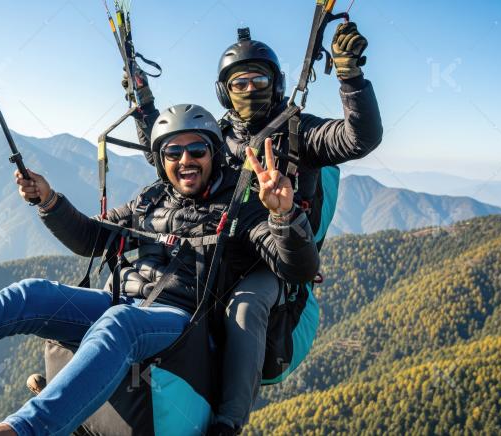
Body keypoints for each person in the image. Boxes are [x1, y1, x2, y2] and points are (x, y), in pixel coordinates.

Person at [0, 104, 320, 436]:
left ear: (214, 155)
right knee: (31, 294)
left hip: (177, 323)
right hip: (123, 302)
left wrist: (282, 213)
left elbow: (295, 267)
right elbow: (93, 237)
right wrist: (50, 200)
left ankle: (21, 433)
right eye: (173, 152)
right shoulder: (149, 200)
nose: (185, 160)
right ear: (160, 160)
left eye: (197, 150)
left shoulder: (244, 208)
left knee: (118, 324)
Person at [124, 22, 383, 434]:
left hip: (276, 254)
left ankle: (229, 421)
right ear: (223, 91)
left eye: (258, 79)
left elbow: (360, 138)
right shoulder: (217, 135)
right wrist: (143, 101)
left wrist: (350, 77)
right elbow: (169, 149)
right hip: (225, 242)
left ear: (275, 83)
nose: (248, 89)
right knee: (135, 278)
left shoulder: (303, 133)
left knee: (244, 304)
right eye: (238, 82)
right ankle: (94, 379)